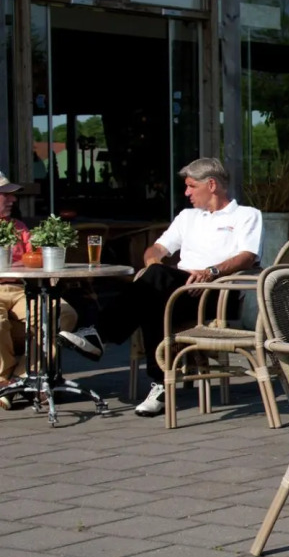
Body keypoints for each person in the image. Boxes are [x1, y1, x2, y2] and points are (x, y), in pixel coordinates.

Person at [61, 158, 261, 417]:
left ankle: (100, 335)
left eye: (191, 186)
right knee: (153, 294)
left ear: (211, 185)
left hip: (218, 292)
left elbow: (247, 256)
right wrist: (153, 263)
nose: (186, 193)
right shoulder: (187, 217)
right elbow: (156, 249)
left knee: (153, 288)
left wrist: (211, 273)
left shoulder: (246, 215)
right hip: (177, 289)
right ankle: (160, 386)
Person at [0, 172, 78, 395]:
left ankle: (23, 375)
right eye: (6, 195)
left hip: (21, 289)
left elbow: (34, 259)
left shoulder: (18, 226)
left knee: (64, 314)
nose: (13, 200)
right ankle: (2, 379)